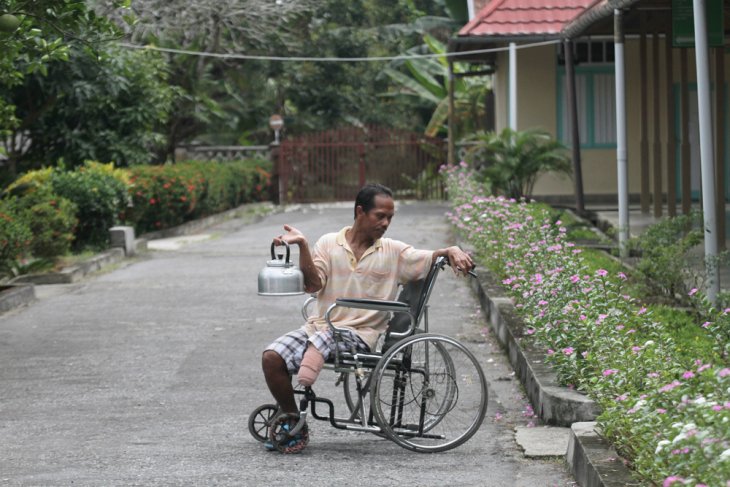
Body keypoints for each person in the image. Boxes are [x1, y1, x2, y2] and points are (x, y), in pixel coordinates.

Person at [261, 183, 474, 453]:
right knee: (271, 357)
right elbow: (314, 286)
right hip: (319, 327)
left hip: (360, 335)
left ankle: (298, 401)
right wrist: (303, 245)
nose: (386, 223)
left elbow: (432, 257)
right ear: (360, 212)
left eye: (390, 218)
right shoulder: (328, 243)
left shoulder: (394, 252)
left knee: (325, 338)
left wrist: (452, 249)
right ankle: (292, 418)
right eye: (380, 216)